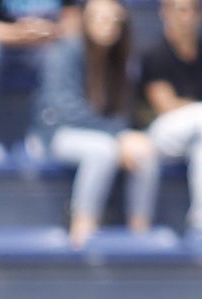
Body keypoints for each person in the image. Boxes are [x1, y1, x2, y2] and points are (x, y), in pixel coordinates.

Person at [33, 0, 158, 247]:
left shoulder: (123, 58)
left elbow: (125, 109)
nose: (107, 25)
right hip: (56, 133)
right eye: (100, 18)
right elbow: (65, 110)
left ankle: (140, 230)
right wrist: (117, 135)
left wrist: (123, 134)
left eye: (114, 20)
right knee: (103, 151)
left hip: (104, 134)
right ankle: (83, 229)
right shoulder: (65, 51)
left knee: (144, 150)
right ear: (86, 20)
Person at [0, 0, 81, 142]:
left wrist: (50, 31)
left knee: (65, 49)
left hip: (43, 47)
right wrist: (18, 33)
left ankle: (52, 134)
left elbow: (75, 24)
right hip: (1, 45)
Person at [141, 0, 202, 232]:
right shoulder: (155, 52)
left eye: (193, 10)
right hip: (158, 135)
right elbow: (166, 106)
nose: (187, 17)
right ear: (165, 13)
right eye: (180, 10)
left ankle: (199, 222)